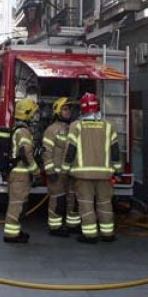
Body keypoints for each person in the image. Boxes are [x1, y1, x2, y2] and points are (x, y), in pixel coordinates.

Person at [62, 93, 123, 244]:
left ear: (82, 109)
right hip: (104, 175)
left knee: (86, 204)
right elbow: (115, 151)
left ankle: (90, 235)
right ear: (98, 107)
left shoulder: (76, 126)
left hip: (83, 175)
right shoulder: (108, 127)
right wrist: (118, 170)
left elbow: (70, 150)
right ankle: (108, 234)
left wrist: (65, 169)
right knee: (104, 203)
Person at [3, 98, 39, 244]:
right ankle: (11, 235)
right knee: (17, 204)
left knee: (19, 203)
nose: (35, 117)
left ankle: (15, 231)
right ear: (27, 113)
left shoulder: (18, 129)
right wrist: (35, 171)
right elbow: (25, 153)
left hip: (17, 173)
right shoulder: (24, 132)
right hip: (20, 174)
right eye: (33, 114)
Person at [42, 97, 78, 238]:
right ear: (58, 111)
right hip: (57, 173)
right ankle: (55, 227)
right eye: (65, 109)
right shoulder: (52, 130)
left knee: (72, 199)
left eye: (69, 108)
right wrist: (50, 171)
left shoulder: (73, 128)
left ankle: (72, 225)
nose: (68, 111)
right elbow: (47, 152)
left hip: (70, 172)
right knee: (58, 200)